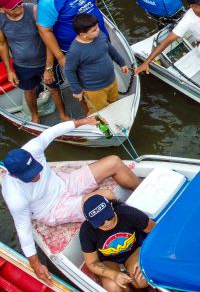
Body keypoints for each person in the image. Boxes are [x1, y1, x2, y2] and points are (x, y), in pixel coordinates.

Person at [1, 118, 140, 284]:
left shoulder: (33, 148)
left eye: (36, 170)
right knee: (106, 196)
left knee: (114, 162)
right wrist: (36, 264)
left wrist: (85, 121)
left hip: (65, 182)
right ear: (14, 175)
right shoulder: (14, 195)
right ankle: (130, 219)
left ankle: (143, 196)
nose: (37, 176)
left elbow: (53, 131)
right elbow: (23, 228)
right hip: (53, 208)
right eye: (30, 176)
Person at [0, 0, 67, 123]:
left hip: (44, 61)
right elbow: (3, 45)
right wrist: (9, 70)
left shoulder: (34, 10)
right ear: (2, 9)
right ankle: (34, 116)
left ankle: (63, 115)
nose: (18, 7)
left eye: (18, 3)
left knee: (54, 89)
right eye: (12, 7)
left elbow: (48, 38)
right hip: (22, 65)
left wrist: (49, 67)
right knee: (28, 90)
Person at [79, 194, 155, 292]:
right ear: (90, 222)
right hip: (109, 261)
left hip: (134, 251)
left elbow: (156, 232)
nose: (107, 223)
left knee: (141, 279)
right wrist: (113, 275)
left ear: (111, 206)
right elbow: (92, 263)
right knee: (113, 286)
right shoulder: (87, 231)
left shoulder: (128, 213)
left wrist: (143, 255)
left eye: (109, 216)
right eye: (100, 222)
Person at [65, 14, 129, 112]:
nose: (98, 30)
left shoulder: (100, 35)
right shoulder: (75, 51)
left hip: (112, 81)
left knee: (114, 102)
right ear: (83, 35)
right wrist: (76, 90)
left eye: (97, 27)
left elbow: (110, 49)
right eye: (94, 30)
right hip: (94, 90)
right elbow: (69, 71)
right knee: (100, 111)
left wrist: (122, 63)